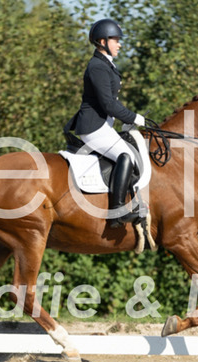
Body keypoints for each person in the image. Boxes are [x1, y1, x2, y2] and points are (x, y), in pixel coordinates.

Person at [73, 18, 146, 228]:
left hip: (104, 125)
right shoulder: (97, 66)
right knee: (126, 156)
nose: (119, 44)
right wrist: (133, 117)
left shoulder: (106, 64)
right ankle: (117, 213)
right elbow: (108, 104)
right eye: (116, 40)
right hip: (93, 127)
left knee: (132, 152)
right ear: (103, 41)